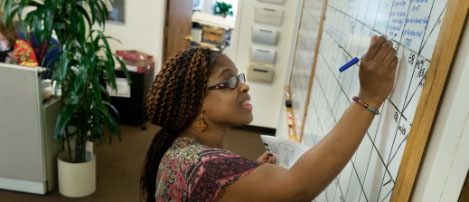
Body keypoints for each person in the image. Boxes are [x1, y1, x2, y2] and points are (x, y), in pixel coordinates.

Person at [141, 35, 397, 202]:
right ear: (197, 103)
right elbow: (298, 188)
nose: (244, 86)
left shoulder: (181, 150)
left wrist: (243, 179)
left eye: (240, 78)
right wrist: (370, 98)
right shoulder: (204, 164)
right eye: (229, 81)